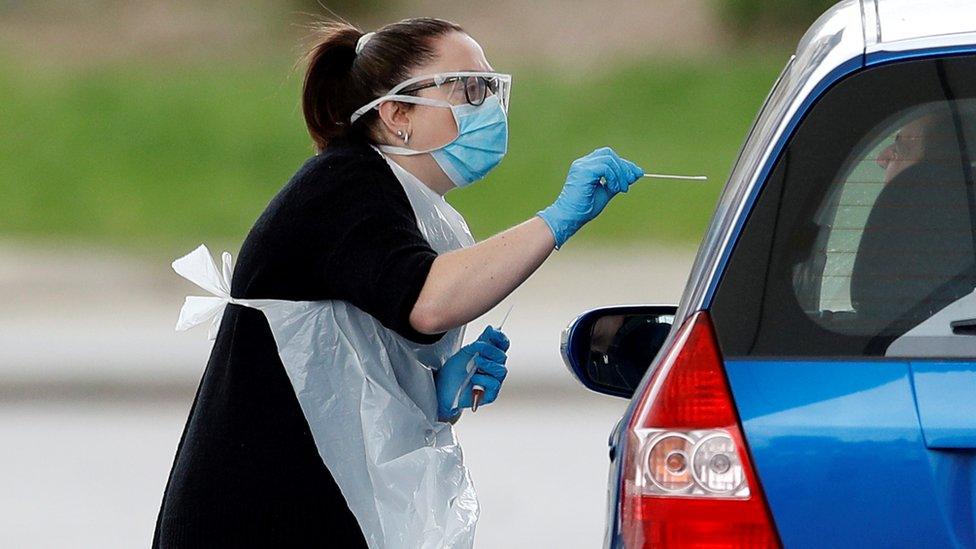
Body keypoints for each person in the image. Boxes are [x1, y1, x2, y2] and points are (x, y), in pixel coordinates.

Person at [153, 17, 644, 548]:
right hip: (256, 517)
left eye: (493, 88)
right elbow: (427, 301)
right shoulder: (343, 184)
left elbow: (345, 356)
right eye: (468, 88)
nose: (489, 109)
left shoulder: (403, 201)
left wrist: (426, 393)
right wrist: (558, 218)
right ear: (396, 114)